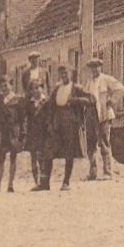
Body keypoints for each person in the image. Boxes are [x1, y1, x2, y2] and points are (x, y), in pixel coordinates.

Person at [38, 64, 94, 192]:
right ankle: (45, 183)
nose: (64, 76)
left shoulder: (77, 88)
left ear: (71, 74)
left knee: (69, 152)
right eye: (61, 73)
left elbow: (92, 99)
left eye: (66, 73)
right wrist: (49, 122)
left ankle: (66, 182)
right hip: (58, 123)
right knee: (49, 151)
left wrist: (76, 100)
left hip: (71, 123)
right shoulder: (57, 88)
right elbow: (50, 105)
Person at [83, 57, 124, 181]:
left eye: (96, 66)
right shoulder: (89, 82)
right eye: (92, 67)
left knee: (104, 142)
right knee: (90, 144)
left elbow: (122, 89)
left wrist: (111, 101)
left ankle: (108, 172)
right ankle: (92, 172)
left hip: (103, 114)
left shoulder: (106, 79)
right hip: (90, 113)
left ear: (100, 67)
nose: (94, 69)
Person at [0, 75, 26, 193]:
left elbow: (22, 118)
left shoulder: (18, 100)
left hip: (13, 131)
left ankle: (10, 185)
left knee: (13, 157)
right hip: (1, 132)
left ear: (11, 85)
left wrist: (22, 133)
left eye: (6, 85)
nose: (4, 88)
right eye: (1, 86)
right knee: (1, 157)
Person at [22, 52, 51, 185]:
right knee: (33, 151)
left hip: (42, 104)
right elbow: (25, 89)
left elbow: (48, 87)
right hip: (31, 105)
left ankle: (43, 179)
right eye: (32, 59)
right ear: (30, 60)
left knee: (43, 150)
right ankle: (36, 180)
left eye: (37, 59)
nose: (35, 61)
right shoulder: (25, 73)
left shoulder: (44, 72)